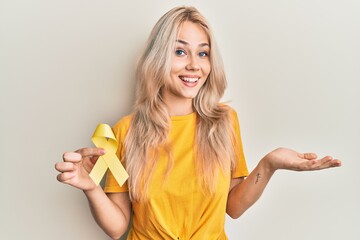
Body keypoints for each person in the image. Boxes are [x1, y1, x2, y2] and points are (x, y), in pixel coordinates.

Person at [55, 6, 341, 240]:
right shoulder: (121, 131)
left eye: (202, 53)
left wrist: (270, 163)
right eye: (180, 51)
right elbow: (118, 227)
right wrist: (91, 187)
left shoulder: (225, 122)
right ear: (157, 59)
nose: (194, 64)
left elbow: (234, 207)